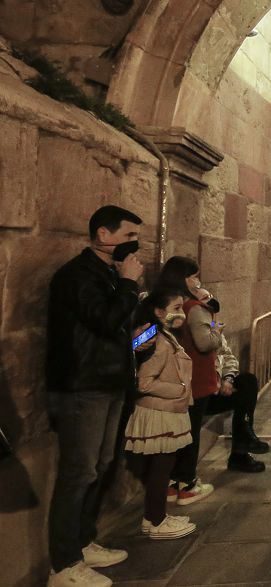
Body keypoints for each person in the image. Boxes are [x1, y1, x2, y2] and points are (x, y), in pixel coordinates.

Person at [46, 205, 147, 587]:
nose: (134, 244)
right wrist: (128, 285)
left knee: (102, 465)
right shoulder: (77, 276)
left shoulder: (109, 274)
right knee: (79, 472)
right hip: (83, 386)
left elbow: (124, 326)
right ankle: (63, 563)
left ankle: (84, 541)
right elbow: (104, 321)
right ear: (103, 236)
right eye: (127, 236)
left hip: (110, 382)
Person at [157, 257, 267, 498]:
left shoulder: (195, 308)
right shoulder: (190, 309)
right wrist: (215, 330)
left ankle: (241, 444)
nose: (198, 282)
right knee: (186, 433)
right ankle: (181, 485)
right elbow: (206, 342)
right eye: (194, 276)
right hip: (191, 382)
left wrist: (227, 377)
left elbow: (224, 352)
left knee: (246, 384)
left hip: (204, 380)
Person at [124, 288, 197, 540]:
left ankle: (154, 516)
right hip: (158, 412)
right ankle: (156, 520)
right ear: (158, 311)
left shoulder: (162, 333)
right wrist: (180, 389)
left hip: (166, 410)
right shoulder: (152, 336)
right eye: (176, 308)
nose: (181, 314)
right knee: (160, 470)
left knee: (162, 468)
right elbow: (144, 381)